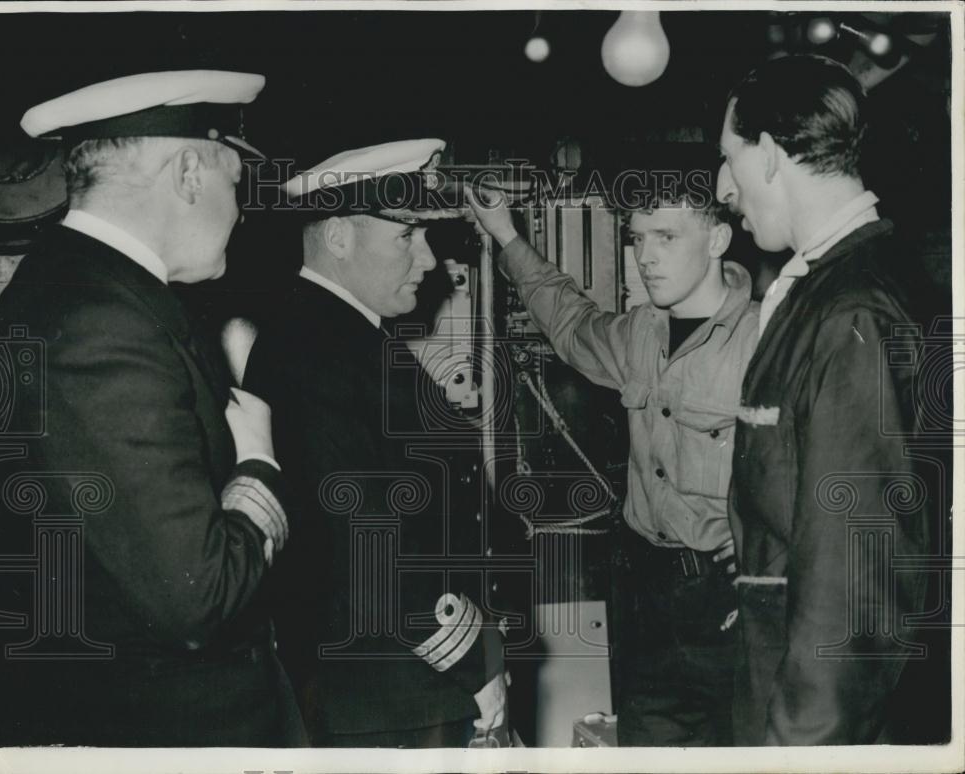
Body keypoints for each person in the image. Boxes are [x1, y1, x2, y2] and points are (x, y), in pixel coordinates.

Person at [0, 70, 298, 747]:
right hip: (162, 730)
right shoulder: (102, 321)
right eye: (235, 185)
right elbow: (199, 596)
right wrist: (259, 463)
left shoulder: (91, 290)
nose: (241, 212)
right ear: (189, 171)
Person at [467, 174, 758, 745]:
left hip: (723, 602)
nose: (645, 258)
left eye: (666, 238)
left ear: (719, 239)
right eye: (637, 238)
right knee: (644, 746)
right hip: (641, 588)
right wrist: (505, 233)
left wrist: (763, 562)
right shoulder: (639, 334)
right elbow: (569, 321)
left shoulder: (765, 342)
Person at [243, 139, 508, 748]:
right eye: (407, 236)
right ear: (338, 237)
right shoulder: (315, 351)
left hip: (405, 682)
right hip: (387, 693)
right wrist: (475, 662)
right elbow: (366, 544)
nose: (428, 259)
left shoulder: (341, 338)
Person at [715, 54, 935, 745]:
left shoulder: (850, 311)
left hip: (813, 728)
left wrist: (801, 748)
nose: (727, 187)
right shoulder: (836, 281)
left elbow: (852, 583)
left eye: (733, 158)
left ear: (773, 155)